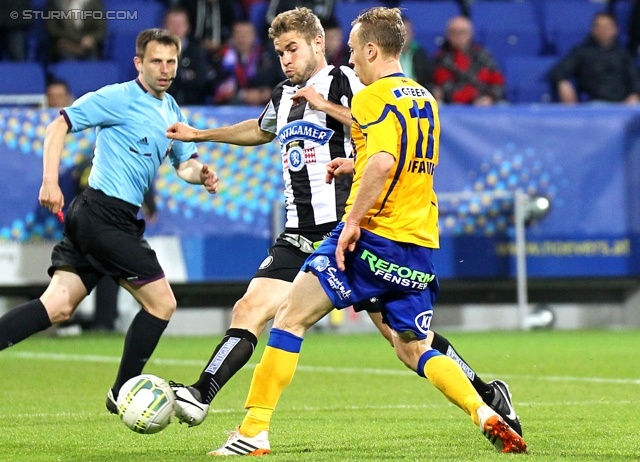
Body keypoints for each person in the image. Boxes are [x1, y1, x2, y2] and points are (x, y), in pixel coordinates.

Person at [165, 7, 524, 453]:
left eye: (292, 49)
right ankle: (204, 395)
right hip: (301, 233)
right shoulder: (284, 94)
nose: (285, 59)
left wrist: (327, 111)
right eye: (279, 52)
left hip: (348, 230)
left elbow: (380, 139)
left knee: (404, 342)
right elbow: (260, 130)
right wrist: (200, 135)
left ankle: (487, 396)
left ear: (319, 44)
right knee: (251, 308)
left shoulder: (353, 84)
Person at [0, 29, 219, 413]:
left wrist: (199, 173)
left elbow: (183, 162)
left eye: (171, 62)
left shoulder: (172, 111)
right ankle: (121, 393)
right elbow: (58, 125)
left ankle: (118, 390)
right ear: (139, 63)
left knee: (56, 307)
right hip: (102, 215)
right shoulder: (118, 97)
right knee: (162, 303)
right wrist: (50, 180)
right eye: (156, 61)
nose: (165, 69)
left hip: (112, 218)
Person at [547, 12, 640, 104]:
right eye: (599, 27)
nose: (603, 30)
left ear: (615, 29)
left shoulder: (624, 54)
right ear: (593, 29)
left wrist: (635, 94)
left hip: (623, 105)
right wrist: (562, 83)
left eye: (607, 27)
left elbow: (635, 79)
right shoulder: (582, 52)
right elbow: (558, 72)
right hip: (595, 104)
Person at [432, 15, 505, 106]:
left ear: (471, 33)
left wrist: (490, 98)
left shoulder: (483, 55)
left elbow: (498, 82)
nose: (459, 36)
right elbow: (445, 89)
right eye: (454, 32)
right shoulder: (441, 58)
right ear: (448, 35)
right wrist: (472, 98)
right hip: (455, 109)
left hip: (487, 106)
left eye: (463, 32)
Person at [212, 20, 282, 106]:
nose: (242, 38)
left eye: (246, 34)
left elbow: (280, 83)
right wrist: (242, 94)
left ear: (254, 36)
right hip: (232, 105)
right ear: (232, 37)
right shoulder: (222, 58)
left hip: (264, 104)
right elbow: (215, 86)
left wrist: (266, 93)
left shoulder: (267, 56)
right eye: (238, 34)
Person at [164, 7, 210, 105]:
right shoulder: (155, 52)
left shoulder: (197, 52)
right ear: (165, 27)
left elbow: (201, 81)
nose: (176, 28)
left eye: (180, 24)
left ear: (187, 27)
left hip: (194, 107)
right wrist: (185, 76)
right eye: (173, 24)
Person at [400, 15, 434, 90]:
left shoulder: (420, 53)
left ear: (412, 33)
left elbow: (427, 79)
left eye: (407, 32)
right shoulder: (386, 55)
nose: (404, 36)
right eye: (401, 33)